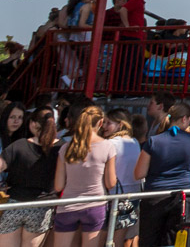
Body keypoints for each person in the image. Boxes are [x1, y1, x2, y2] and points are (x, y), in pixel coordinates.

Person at [134, 103, 190, 247]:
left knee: (149, 241)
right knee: (173, 241)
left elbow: (139, 173)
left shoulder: (153, 141)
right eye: (189, 120)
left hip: (154, 197)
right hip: (181, 197)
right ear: (184, 119)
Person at [52, 105, 117, 245]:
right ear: (100, 123)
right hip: (95, 205)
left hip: (68, 205)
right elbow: (110, 183)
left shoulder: (66, 148)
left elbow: (58, 186)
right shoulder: (108, 147)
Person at [0, 107, 60, 247]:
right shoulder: (61, 148)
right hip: (42, 207)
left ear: (33, 124)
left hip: (15, 204)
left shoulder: (19, 145)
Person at [101, 110, 142, 247]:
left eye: (108, 123)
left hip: (114, 196)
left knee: (104, 238)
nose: (104, 126)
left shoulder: (110, 143)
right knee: (119, 240)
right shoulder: (135, 142)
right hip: (133, 195)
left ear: (120, 125)